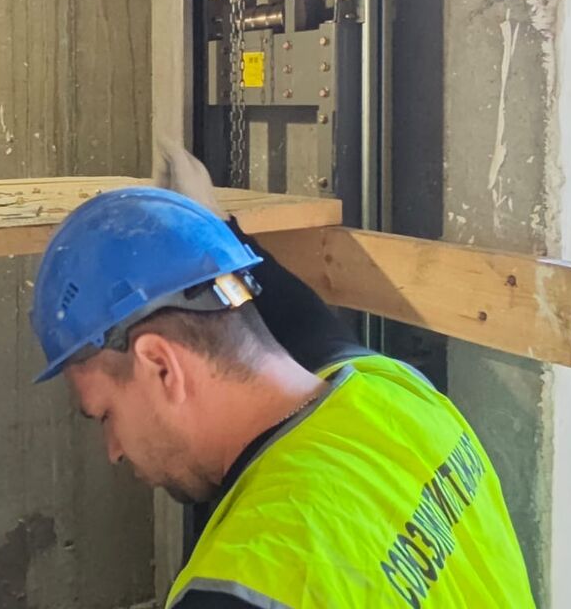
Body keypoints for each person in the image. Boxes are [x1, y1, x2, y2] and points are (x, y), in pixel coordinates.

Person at [29, 145, 536, 608]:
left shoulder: (248, 585)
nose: (113, 450)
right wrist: (212, 227)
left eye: (105, 415)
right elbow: (306, 324)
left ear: (161, 365)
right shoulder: (396, 393)